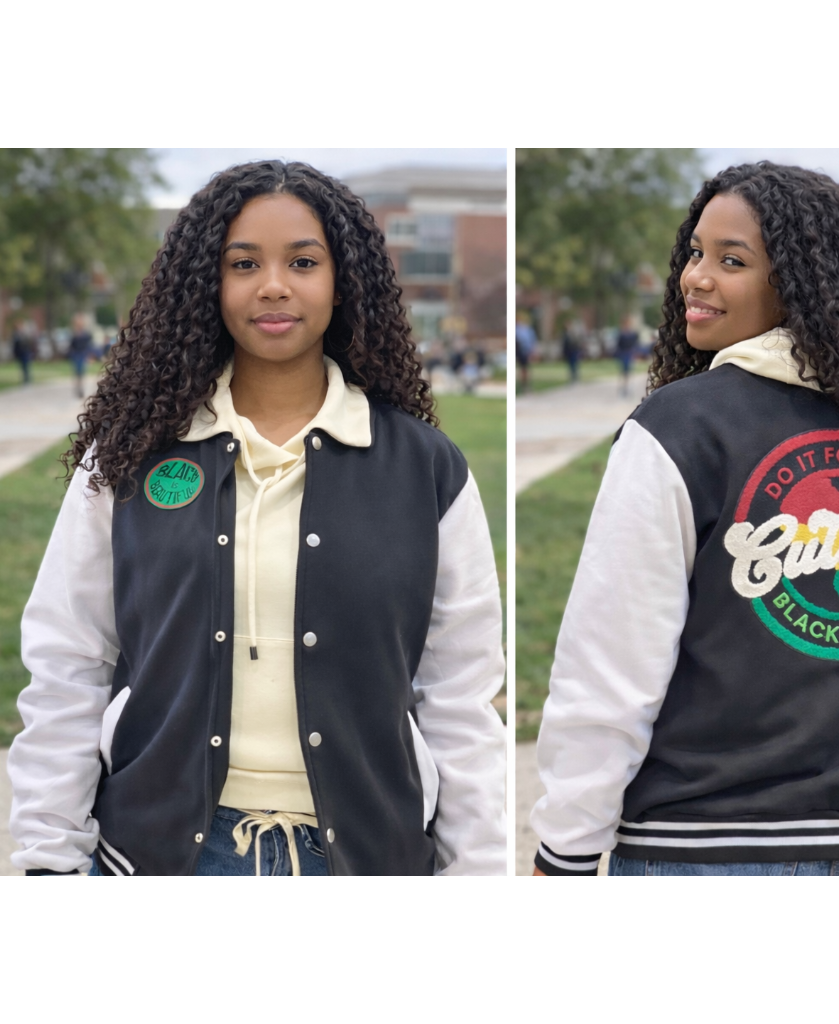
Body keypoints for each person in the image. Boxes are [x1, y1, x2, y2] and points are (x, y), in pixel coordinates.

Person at [8, 160, 506, 876]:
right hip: (159, 854)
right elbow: (67, 664)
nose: (273, 284)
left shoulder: (426, 469)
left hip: (367, 855)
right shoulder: (128, 457)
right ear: (208, 283)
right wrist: (50, 857)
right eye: (243, 263)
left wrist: (477, 863)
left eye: (303, 261)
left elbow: (460, 696)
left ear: (344, 281)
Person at [531, 162, 839, 877]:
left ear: (803, 280)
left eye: (732, 261)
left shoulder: (679, 428)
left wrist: (566, 847)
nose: (695, 278)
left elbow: (610, 667)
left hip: (704, 846)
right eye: (695, 253)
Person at [68, 315, 92, 398]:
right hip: (76, 355)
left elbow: (88, 345)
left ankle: (80, 389)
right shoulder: (74, 334)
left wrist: (88, 355)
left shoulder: (85, 334)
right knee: (77, 373)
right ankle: (78, 388)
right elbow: (71, 346)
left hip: (82, 354)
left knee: (81, 373)